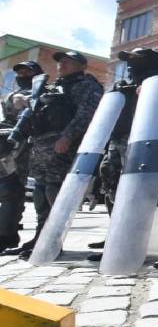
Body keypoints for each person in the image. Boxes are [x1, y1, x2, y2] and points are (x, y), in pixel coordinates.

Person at [16, 51, 102, 259]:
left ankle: (53, 242)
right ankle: (39, 238)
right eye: (60, 62)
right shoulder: (55, 86)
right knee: (40, 193)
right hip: (41, 146)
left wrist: (68, 137)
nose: (61, 65)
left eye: (67, 62)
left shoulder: (86, 85)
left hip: (62, 146)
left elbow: (86, 114)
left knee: (54, 192)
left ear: (81, 65)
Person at [89, 48, 158, 261]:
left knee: (135, 192)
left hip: (143, 142)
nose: (130, 65)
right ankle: (116, 237)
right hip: (117, 140)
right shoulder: (123, 85)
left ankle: (131, 241)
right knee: (110, 185)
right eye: (129, 61)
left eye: (135, 60)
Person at [0, 61, 45, 252]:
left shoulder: (43, 91)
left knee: (13, 191)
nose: (23, 74)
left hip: (27, 150)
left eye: (28, 71)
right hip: (6, 146)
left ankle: (7, 236)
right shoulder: (11, 95)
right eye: (20, 71)